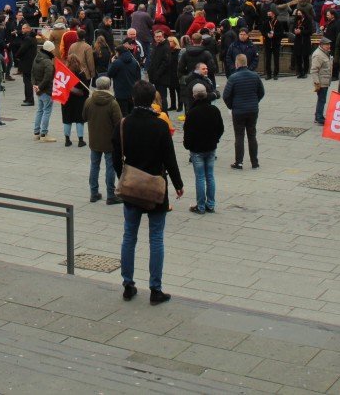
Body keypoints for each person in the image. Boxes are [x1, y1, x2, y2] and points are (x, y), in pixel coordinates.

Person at [112, 82, 184, 305]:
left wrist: (123, 177)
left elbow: (115, 158)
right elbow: (169, 158)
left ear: (133, 98)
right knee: (156, 238)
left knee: (129, 237)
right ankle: (155, 288)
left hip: (132, 188)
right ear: (153, 99)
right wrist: (177, 184)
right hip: (155, 187)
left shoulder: (123, 124)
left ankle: (128, 284)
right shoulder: (160, 126)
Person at [183, 82, 224, 214]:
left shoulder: (192, 113)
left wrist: (188, 146)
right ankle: (211, 204)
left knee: (200, 177)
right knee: (210, 176)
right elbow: (220, 128)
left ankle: (200, 206)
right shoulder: (214, 110)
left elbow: (187, 132)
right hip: (211, 147)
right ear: (206, 94)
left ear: (194, 96)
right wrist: (215, 139)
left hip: (197, 150)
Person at [83, 76, 123, 204]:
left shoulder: (89, 101)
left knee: (94, 165)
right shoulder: (113, 103)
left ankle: (94, 193)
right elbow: (119, 123)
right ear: (108, 86)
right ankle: (111, 194)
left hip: (94, 139)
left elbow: (83, 117)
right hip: (109, 140)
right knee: (110, 167)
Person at [223, 53, 264, 170]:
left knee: (239, 136)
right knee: (252, 135)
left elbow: (226, 96)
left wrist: (231, 106)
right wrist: (255, 102)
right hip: (252, 110)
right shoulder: (255, 76)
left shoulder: (233, 78)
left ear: (236, 64)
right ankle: (254, 161)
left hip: (238, 111)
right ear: (246, 63)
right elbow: (262, 92)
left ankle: (239, 162)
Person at [310, 36, 333, 125]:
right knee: (322, 100)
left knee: (321, 99)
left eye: (329, 44)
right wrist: (317, 83)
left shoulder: (324, 53)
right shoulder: (318, 55)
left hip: (324, 80)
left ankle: (318, 116)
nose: (329, 46)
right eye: (327, 45)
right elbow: (314, 70)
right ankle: (319, 117)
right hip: (321, 82)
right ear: (322, 45)